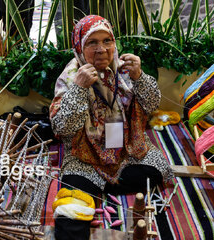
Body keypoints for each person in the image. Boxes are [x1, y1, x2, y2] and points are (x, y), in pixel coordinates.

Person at [49, 15, 172, 240]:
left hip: (124, 151)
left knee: (155, 171)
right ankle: (98, 183)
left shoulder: (124, 69)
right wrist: (79, 88)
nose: (101, 49)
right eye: (92, 42)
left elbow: (152, 104)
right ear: (79, 46)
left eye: (107, 41)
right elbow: (61, 128)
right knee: (70, 212)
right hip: (85, 157)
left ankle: (99, 185)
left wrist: (140, 76)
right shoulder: (71, 77)